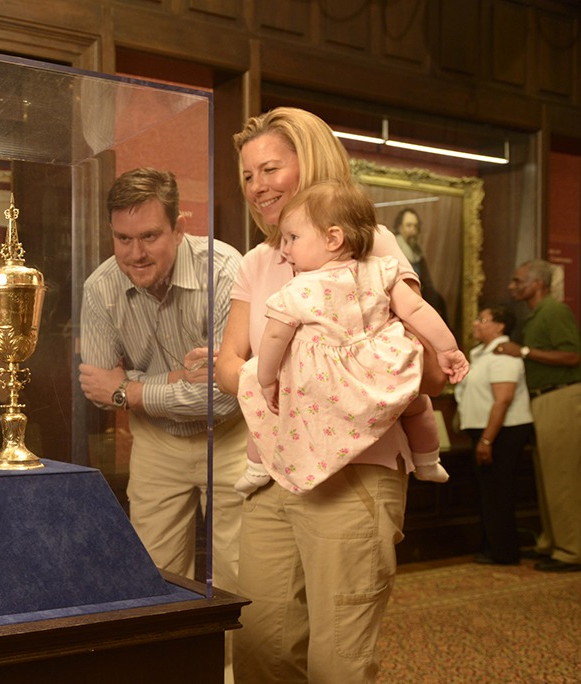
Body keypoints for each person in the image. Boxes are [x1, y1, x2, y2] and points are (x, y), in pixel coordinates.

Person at [215, 107, 448, 683]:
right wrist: (303, 380)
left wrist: (288, 376)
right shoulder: (257, 261)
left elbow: (430, 374)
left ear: (312, 163)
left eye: (270, 169)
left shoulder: (372, 243)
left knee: (337, 661)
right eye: (247, 175)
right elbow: (227, 366)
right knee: (261, 648)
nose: (257, 186)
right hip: (274, 471)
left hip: (355, 474)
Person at [235, 181, 467, 497]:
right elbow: (415, 308)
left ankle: (257, 467)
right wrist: (448, 348)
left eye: (293, 238)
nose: (285, 248)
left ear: (333, 238)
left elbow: (275, 335)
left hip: (326, 378)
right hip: (377, 369)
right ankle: (427, 460)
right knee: (416, 404)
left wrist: (266, 379)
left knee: (263, 403)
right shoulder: (379, 270)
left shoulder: (299, 289)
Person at [79, 169, 247, 591]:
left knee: (241, 580)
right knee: (155, 582)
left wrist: (130, 389)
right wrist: (175, 380)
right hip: (157, 443)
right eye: (123, 238)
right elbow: (97, 389)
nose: (135, 253)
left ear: (179, 229)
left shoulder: (225, 271)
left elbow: (226, 396)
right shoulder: (100, 288)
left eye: (149, 236)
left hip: (232, 438)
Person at [497, 260, 581, 572]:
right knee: (549, 475)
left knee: (564, 476)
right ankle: (552, 542)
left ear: (537, 283)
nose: (512, 286)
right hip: (544, 398)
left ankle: (570, 552)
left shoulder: (554, 311)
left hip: (561, 397)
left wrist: (523, 352)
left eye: (517, 280)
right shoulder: (536, 315)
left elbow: (572, 356)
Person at [454, 304, 533, 566]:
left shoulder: (504, 354)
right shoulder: (480, 353)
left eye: (482, 319)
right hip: (485, 430)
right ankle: (492, 547)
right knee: (488, 491)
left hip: (503, 432)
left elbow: (503, 399)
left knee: (498, 491)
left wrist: (487, 440)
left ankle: (505, 551)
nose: (475, 323)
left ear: (500, 326)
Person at [392, 208, 447, 320]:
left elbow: (426, 281)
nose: (413, 230)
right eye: (409, 226)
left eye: (416, 226)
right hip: (404, 300)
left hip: (420, 296)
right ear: (400, 227)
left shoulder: (417, 251)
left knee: (439, 302)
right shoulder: (395, 249)